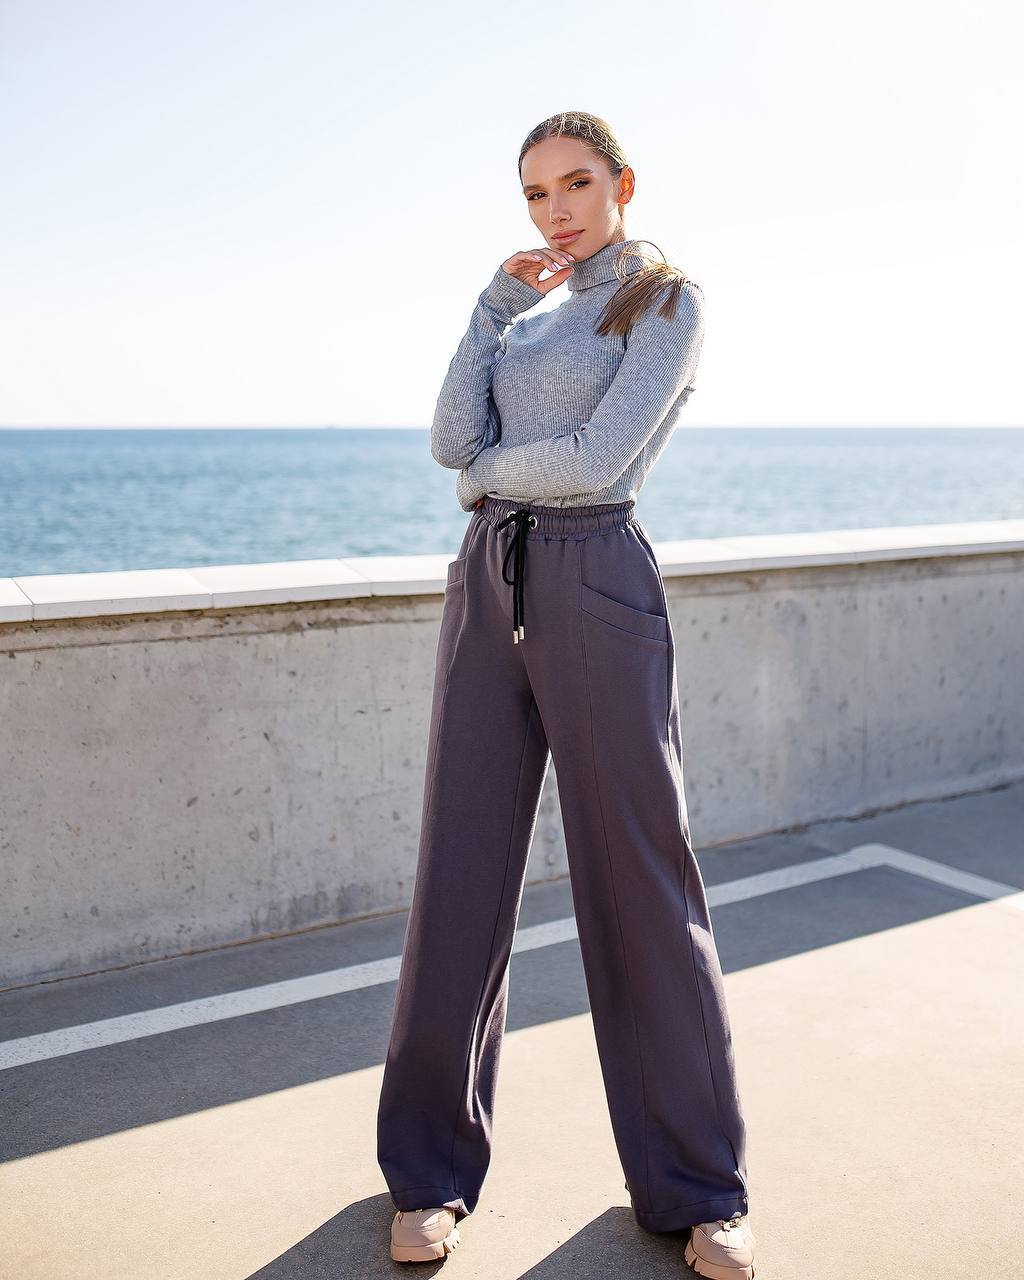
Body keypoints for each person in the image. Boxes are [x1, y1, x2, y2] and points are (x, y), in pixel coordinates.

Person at [376, 110, 757, 1279]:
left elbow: (596, 458)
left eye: (577, 185)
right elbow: (450, 435)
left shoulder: (666, 300)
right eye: (537, 194)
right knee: (460, 874)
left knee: (642, 877)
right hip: (489, 582)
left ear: (622, 183)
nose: (558, 212)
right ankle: (430, 1174)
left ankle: (698, 1190)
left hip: (595, 574)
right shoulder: (527, 306)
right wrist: (488, 311)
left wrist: (490, 472)